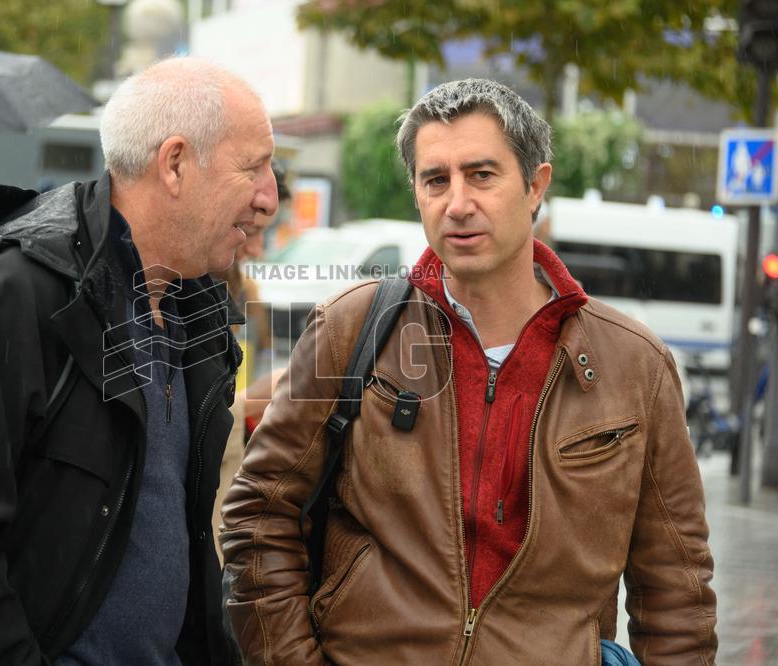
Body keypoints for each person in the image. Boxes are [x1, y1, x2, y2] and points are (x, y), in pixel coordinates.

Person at [220, 79, 717, 665]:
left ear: (535, 186)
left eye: (482, 175)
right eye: (436, 180)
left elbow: (676, 595)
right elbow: (258, 518)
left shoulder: (634, 365)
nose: (457, 203)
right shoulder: (349, 330)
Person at [0, 57, 277, 664]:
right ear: (176, 163)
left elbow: (171, 533)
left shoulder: (197, 307)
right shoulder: (15, 297)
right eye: (254, 168)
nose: (270, 199)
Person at [212, 165, 290, 556]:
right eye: (252, 231)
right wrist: (253, 401)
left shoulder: (248, 293)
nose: (258, 250)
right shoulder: (178, 293)